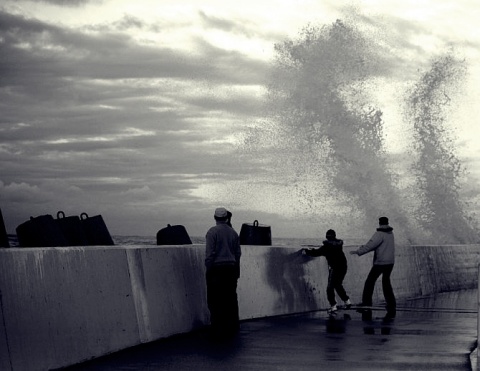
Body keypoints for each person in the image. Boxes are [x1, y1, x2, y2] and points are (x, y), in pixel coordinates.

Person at [205, 207, 242, 339]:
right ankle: (232, 326)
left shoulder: (212, 232)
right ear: (226, 218)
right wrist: (237, 270)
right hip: (231, 269)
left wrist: (208, 269)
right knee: (230, 298)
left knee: (215, 299)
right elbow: (238, 254)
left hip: (216, 269)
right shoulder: (233, 233)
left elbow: (209, 254)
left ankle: (217, 328)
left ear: (215, 218)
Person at [350, 216, 396, 319]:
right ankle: (391, 303)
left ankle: (366, 303)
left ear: (379, 223)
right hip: (390, 262)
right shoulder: (390, 233)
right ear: (387, 222)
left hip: (381, 262)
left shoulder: (379, 234)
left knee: (370, 281)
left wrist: (359, 251)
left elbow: (371, 245)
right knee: (386, 283)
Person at [303, 229, 351, 313]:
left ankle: (333, 306)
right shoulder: (339, 245)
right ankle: (347, 301)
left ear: (326, 237)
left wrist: (306, 251)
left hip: (334, 268)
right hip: (343, 266)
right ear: (335, 236)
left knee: (330, 287)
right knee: (338, 285)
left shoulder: (327, 247)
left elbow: (316, 253)